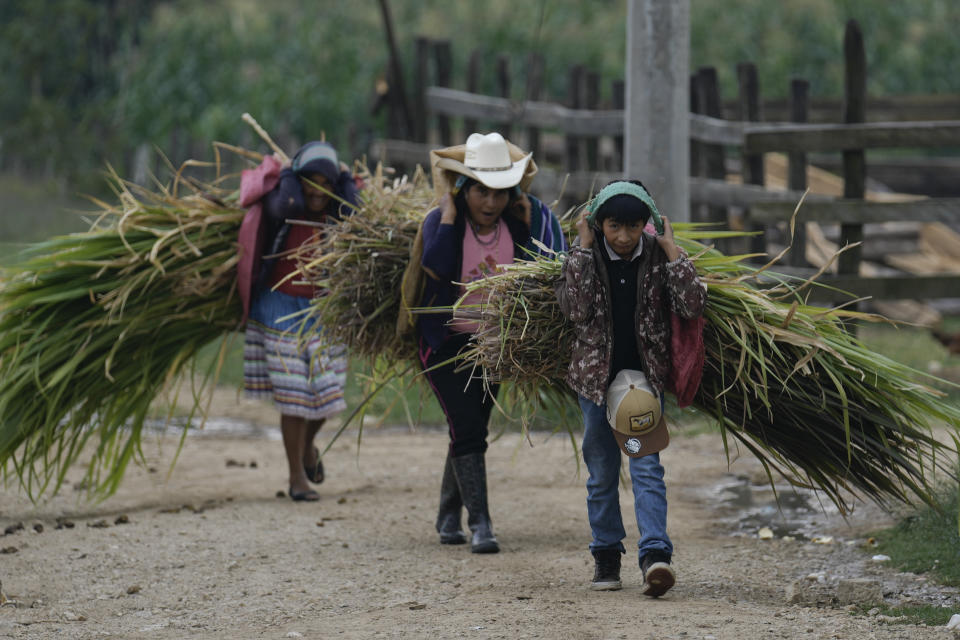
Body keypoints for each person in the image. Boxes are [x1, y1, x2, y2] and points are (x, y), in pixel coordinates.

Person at [416, 132, 567, 553]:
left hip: (493, 345)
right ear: (464, 189)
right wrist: (447, 215)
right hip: (444, 343)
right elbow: (439, 268)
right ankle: (480, 523)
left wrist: (528, 217)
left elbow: (540, 268)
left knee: (472, 428)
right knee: (467, 428)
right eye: (481, 191)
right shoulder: (440, 223)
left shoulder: (517, 225)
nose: (490, 203)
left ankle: (448, 514)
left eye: (501, 193)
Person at [557, 179, 706, 596]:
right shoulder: (584, 256)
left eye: (633, 226)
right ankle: (606, 554)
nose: (623, 237)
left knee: (644, 466)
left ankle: (655, 555)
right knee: (602, 470)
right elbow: (577, 309)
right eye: (613, 227)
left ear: (648, 224)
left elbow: (692, 304)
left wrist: (673, 251)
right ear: (599, 223)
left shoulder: (659, 257)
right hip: (595, 384)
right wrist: (584, 249)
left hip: (639, 387)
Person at [237, 141, 360, 502]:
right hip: (281, 311)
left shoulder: (339, 213)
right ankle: (296, 479)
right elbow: (288, 201)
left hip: (323, 312)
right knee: (295, 399)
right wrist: (291, 173)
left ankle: (307, 447)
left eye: (326, 182)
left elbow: (356, 209)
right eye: (311, 180)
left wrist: (346, 179)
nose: (317, 189)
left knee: (329, 394)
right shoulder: (284, 207)